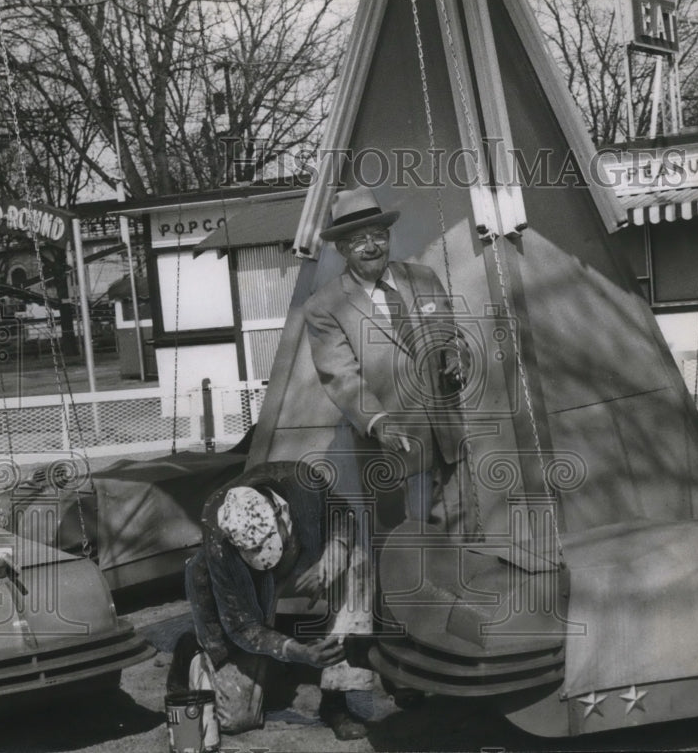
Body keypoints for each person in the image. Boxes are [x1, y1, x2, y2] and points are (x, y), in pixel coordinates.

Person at [304, 186, 473, 535]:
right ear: (342, 249)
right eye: (358, 240)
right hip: (395, 450)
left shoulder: (422, 278)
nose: (371, 246)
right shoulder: (324, 306)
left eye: (378, 236)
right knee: (414, 551)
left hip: (449, 439)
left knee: (467, 540)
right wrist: (378, 421)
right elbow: (341, 376)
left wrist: (457, 355)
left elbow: (451, 334)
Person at [169, 461, 373, 740]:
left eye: (266, 543)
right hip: (248, 583)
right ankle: (192, 651)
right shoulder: (218, 537)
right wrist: (295, 651)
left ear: (281, 514)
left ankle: (336, 698)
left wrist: (333, 556)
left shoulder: (304, 483)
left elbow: (343, 514)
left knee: (358, 564)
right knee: (238, 719)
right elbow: (242, 627)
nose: (263, 555)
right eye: (253, 549)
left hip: (306, 557)